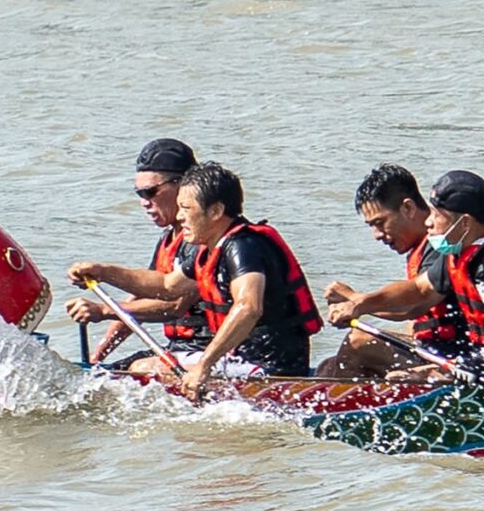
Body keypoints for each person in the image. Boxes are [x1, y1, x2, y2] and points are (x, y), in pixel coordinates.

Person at [66, 163, 322, 394]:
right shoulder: (209, 248)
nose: (179, 217)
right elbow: (166, 286)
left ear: (215, 211)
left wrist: (204, 365)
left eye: (186, 209)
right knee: (124, 369)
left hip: (269, 367)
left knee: (143, 368)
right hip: (237, 359)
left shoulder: (244, 246)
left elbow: (249, 307)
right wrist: (102, 271)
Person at [324, 170, 484, 379]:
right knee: (346, 367)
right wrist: (360, 303)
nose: (428, 222)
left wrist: (481, 360)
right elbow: (419, 292)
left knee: (393, 368)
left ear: (466, 222)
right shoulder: (462, 251)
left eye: (437, 215)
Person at [315, 164, 472, 380]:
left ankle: (334, 409)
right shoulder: (419, 248)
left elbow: (412, 306)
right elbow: (415, 322)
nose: (377, 235)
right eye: (371, 226)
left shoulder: (443, 245)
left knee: (360, 341)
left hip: (459, 359)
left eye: (380, 223)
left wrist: (354, 301)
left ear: (408, 208)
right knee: (328, 366)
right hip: (433, 348)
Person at [67, 138, 206, 374]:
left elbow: (174, 304)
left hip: (212, 349)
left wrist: (103, 310)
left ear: (184, 186)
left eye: (151, 192)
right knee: (104, 373)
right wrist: (97, 356)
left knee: (137, 369)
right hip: (181, 347)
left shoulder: (202, 239)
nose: (144, 202)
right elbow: (137, 298)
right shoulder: (168, 239)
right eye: (139, 193)